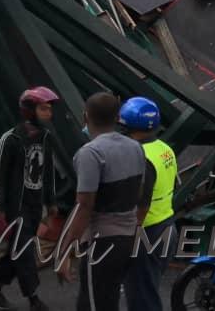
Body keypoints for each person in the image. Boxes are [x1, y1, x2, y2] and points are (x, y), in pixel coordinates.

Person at [58, 92, 152, 311]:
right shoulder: (135, 148)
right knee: (107, 301)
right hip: (128, 239)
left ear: (85, 117)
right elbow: (139, 195)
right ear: (118, 117)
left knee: (92, 304)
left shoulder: (90, 153)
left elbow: (84, 206)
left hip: (102, 242)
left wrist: (64, 252)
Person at [0, 87, 60, 311]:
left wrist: (51, 201)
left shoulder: (45, 137)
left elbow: (48, 172)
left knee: (16, 249)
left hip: (35, 204)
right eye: (44, 108)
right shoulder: (11, 139)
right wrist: (0, 207)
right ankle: (33, 298)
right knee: (24, 251)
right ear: (29, 110)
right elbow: (0, 177)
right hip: (16, 206)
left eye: (49, 109)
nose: (49, 113)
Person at [120, 97, 178, 311]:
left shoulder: (141, 156)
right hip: (167, 226)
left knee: (141, 297)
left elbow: (142, 205)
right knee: (147, 288)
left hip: (147, 232)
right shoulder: (164, 149)